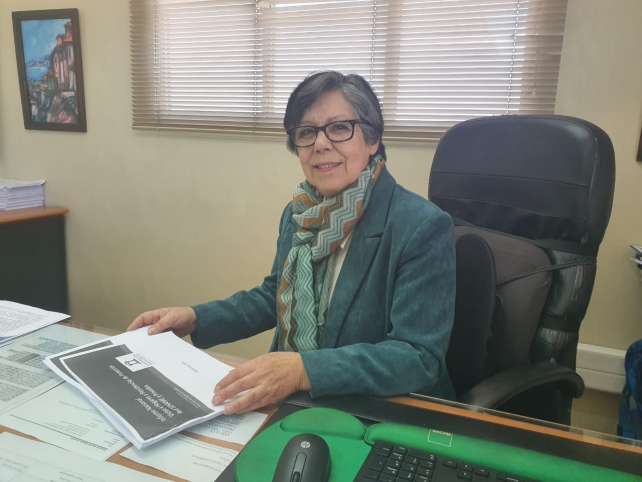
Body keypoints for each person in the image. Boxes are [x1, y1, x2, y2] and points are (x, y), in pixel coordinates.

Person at [128, 71, 456, 415]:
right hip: (298, 402)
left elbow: (418, 357)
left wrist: (305, 370)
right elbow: (275, 296)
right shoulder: (301, 213)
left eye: (339, 128)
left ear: (372, 139)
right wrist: (195, 318)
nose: (320, 144)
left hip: (380, 411)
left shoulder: (420, 226)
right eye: (307, 132)